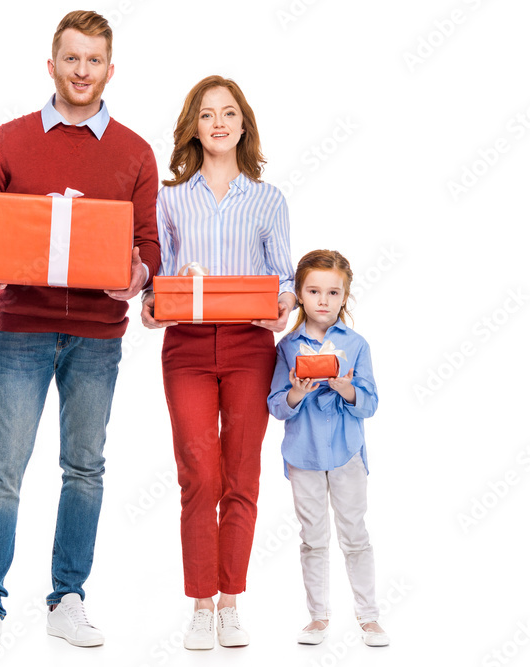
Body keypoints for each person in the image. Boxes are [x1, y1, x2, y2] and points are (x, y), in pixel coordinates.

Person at [0, 10, 160, 663]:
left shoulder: (135, 152)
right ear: (52, 64)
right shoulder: (9, 141)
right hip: (19, 326)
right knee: (2, 471)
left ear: (109, 69)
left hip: (98, 334)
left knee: (86, 468)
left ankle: (67, 597)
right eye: (71, 59)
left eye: (93, 60)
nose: (81, 71)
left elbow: (149, 246)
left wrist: (139, 274)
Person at [141, 75, 295, 650]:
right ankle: (200, 603)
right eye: (207, 115)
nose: (220, 123)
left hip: (250, 346)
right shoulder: (170, 198)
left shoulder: (268, 198)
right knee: (199, 474)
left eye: (229, 113)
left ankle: (231, 602)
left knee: (241, 473)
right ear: (194, 127)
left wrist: (284, 305)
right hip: (186, 347)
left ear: (243, 124)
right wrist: (154, 305)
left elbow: (282, 275)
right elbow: (156, 282)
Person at [267, 249, 389, 648]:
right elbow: (275, 405)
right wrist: (297, 395)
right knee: (313, 537)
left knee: (355, 534)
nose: (324, 300)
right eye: (315, 291)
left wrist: (345, 386)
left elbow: (369, 404)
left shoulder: (355, 345)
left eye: (333, 292)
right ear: (299, 294)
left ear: (345, 296)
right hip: (303, 456)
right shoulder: (287, 347)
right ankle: (318, 617)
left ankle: (369, 617)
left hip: (347, 453)